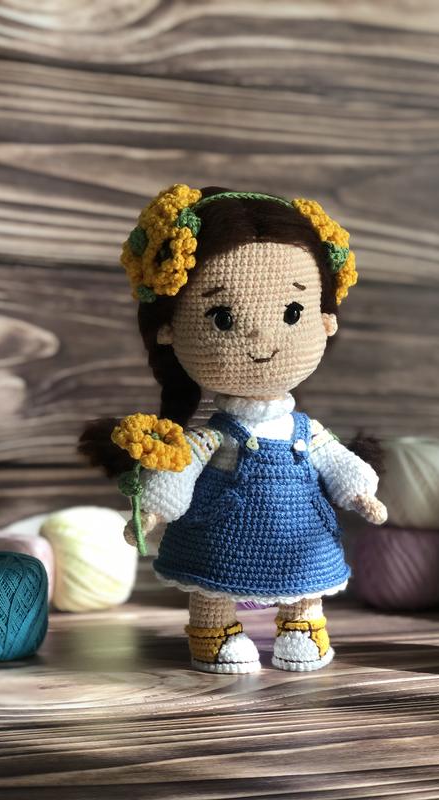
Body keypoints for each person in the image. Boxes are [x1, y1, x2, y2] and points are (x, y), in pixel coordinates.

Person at [80, 184, 387, 674]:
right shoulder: (211, 437)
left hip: (300, 538)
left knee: (306, 580)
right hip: (222, 535)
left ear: (325, 320)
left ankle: (302, 628)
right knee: (213, 582)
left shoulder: (306, 431)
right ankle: (215, 632)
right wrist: (153, 511)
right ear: (171, 330)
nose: (263, 340)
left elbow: (336, 460)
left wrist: (359, 492)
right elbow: (180, 471)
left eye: (293, 313)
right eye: (222, 317)